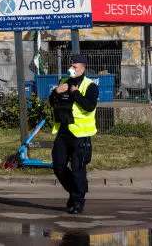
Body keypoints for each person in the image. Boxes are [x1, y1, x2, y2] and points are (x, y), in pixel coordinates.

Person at [48, 53, 99, 215]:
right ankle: (75, 192)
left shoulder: (90, 86)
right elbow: (52, 101)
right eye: (71, 66)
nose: (71, 69)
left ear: (83, 69)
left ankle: (78, 200)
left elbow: (89, 106)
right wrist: (56, 92)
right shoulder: (63, 82)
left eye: (75, 66)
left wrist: (76, 93)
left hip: (80, 134)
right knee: (58, 166)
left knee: (78, 169)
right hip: (63, 131)